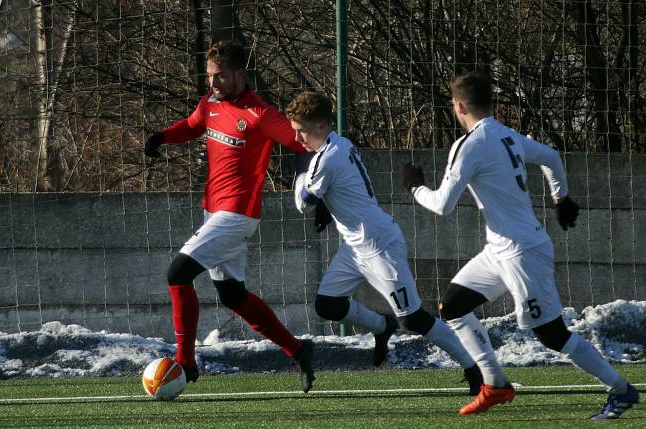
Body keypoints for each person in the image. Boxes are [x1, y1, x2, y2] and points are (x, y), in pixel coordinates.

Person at [400, 71, 639, 418]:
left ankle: (621, 390)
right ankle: (495, 384)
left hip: (522, 252)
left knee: (552, 334)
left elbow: (442, 205)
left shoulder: (469, 145)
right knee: (452, 306)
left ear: (460, 105)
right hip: (499, 249)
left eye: (453, 105)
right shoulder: (506, 134)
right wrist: (561, 198)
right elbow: (551, 157)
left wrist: (414, 187)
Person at [143, 41, 315, 392]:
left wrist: (317, 189)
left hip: (237, 214)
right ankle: (298, 350)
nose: (213, 83)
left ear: (240, 73)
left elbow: (303, 143)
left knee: (178, 272)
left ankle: (186, 362)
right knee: (233, 296)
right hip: (213, 211)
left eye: (220, 76)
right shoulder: (210, 104)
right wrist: (162, 136)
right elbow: (193, 125)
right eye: (210, 76)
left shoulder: (261, 114)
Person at [286, 91, 482, 394]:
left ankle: (473, 367)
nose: (298, 139)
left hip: (379, 246)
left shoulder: (326, 157)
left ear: (322, 125)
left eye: (302, 131)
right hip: (354, 247)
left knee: (414, 319)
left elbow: (303, 203)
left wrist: (300, 174)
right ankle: (382, 326)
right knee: (328, 304)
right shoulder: (340, 144)